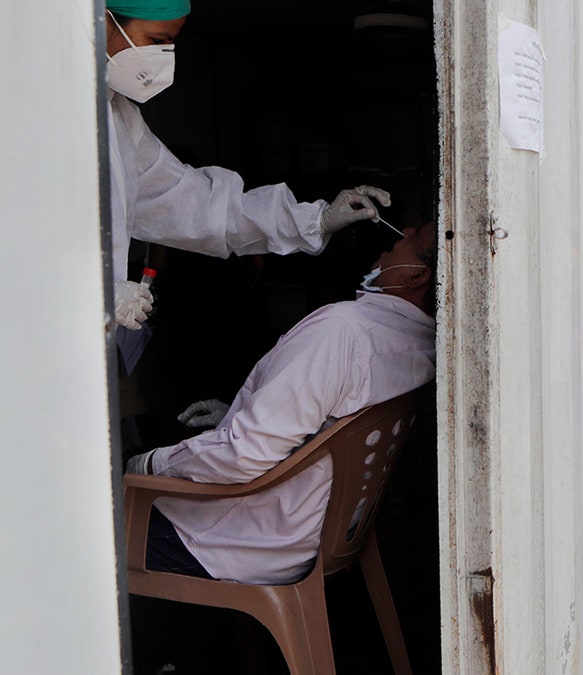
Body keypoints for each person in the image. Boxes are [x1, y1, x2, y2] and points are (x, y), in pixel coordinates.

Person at [125, 222, 439, 584]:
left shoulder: (342, 330)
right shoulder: (418, 341)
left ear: (416, 276)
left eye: (408, 238)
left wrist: (148, 463)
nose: (400, 232)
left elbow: (245, 453)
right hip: (308, 538)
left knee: (75, 516)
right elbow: (323, 426)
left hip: (233, 541)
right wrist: (239, 414)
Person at [103, 0, 390, 330]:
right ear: (102, 22)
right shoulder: (47, 109)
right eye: (156, 41)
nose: (165, 57)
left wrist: (314, 220)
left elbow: (195, 205)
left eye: (172, 42)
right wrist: (97, 294)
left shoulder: (119, 119)